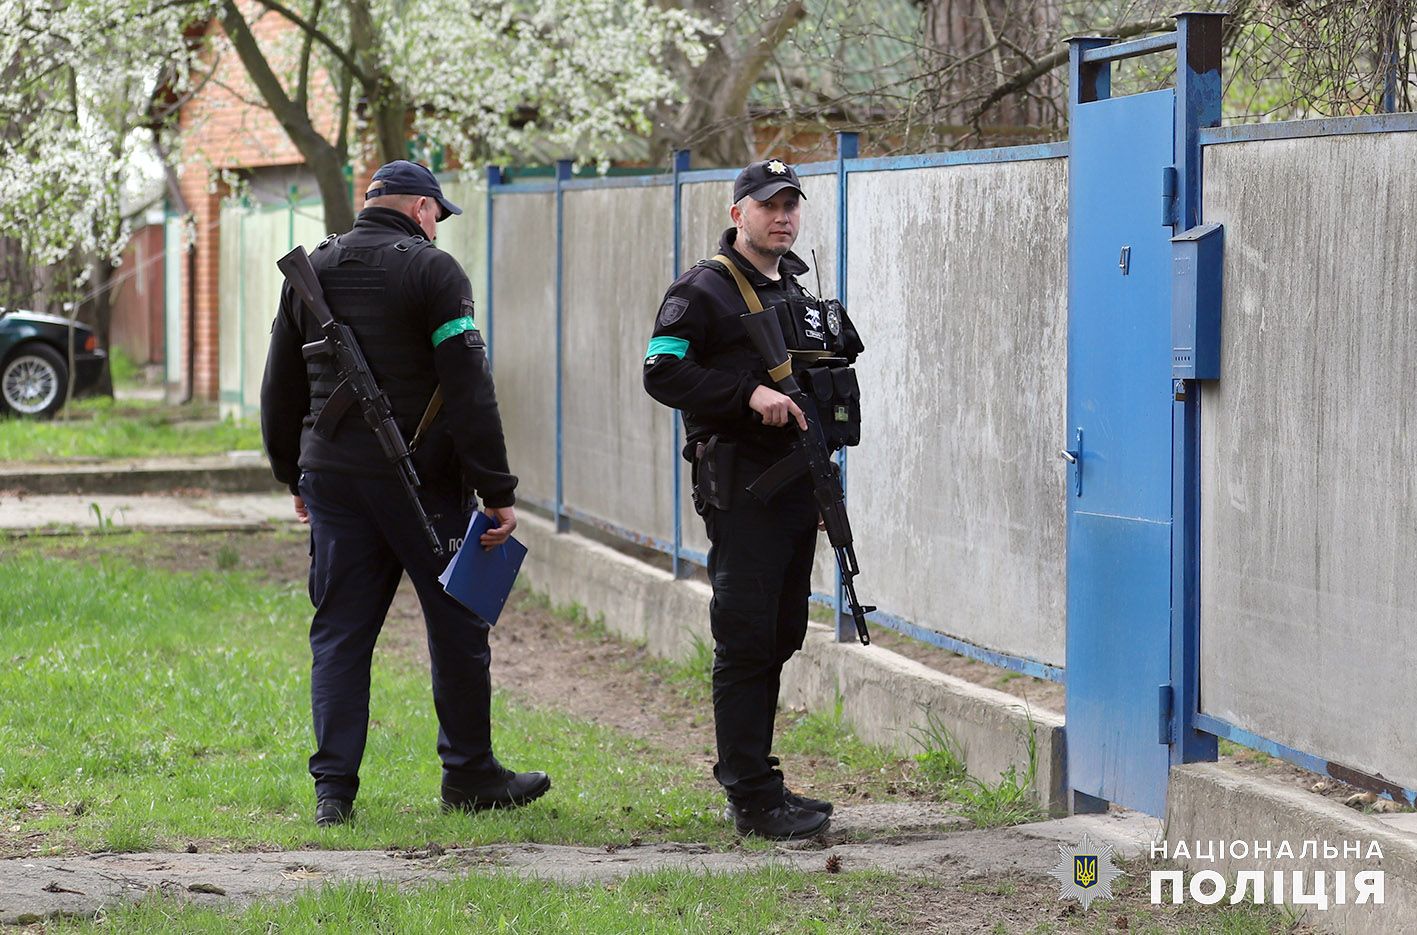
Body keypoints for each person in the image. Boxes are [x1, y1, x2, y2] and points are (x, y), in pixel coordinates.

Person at [260, 160, 549, 827]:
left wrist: (290, 471)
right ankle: (470, 775)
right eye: (437, 216)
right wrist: (497, 489)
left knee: (339, 632)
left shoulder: (316, 267)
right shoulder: (433, 271)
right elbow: (469, 383)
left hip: (332, 481)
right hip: (427, 485)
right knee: (457, 624)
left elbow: (282, 381)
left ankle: (333, 792)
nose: (437, 228)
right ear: (421, 209)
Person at [643, 158, 865, 840]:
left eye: (791, 204)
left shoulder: (796, 284)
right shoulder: (702, 289)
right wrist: (746, 393)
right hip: (742, 487)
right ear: (738, 211)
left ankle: (761, 779)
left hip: (798, 484)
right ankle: (750, 795)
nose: (782, 216)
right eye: (768, 204)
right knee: (745, 635)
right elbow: (662, 369)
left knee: (780, 632)